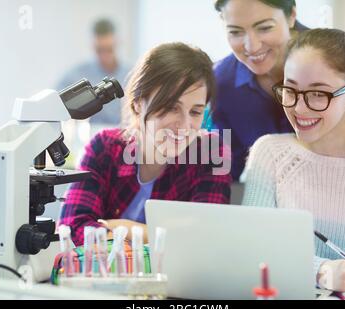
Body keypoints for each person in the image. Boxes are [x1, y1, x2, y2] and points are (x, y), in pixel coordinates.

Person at [242, 28, 345, 293]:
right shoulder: (269, 154)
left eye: (318, 94)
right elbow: (251, 251)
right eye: (290, 89)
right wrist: (322, 271)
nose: (299, 108)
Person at [207, 0, 345, 181]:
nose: (252, 46)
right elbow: (221, 168)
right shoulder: (222, 82)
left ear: (291, 15)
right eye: (235, 32)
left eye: (264, 28)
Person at [59, 43, 232, 246]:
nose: (185, 125)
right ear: (138, 104)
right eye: (171, 107)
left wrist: (125, 228)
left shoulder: (211, 153)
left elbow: (203, 238)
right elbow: (72, 228)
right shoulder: (104, 148)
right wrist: (160, 237)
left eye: (195, 112)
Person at [57, 18, 131, 125]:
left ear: (117, 43)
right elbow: (56, 105)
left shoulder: (131, 74)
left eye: (109, 49)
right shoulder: (76, 75)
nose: (104, 56)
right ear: (92, 45)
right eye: (100, 50)